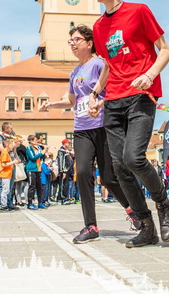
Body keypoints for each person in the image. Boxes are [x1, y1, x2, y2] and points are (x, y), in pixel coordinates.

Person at [87, 0, 169, 247]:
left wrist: (150, 74)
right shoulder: (98, 27)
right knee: (119, 169)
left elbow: (165, 49)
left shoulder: (139, 11)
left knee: (133, 158)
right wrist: (95, 93)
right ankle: (146, 227)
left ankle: (164, 204)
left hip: (141, 95)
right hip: (113, 100)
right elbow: (108, 64)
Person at [41, 25, 139, 243]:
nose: (72, 44)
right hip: (81, 129)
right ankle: (90, 226)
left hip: (103, 126)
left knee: (109, 178)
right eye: (70, 41)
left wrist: (100, 104)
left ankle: (133, 211)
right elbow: (71, 101)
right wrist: (51, 104)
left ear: (89, 43)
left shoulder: (99, 64)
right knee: (83, 173)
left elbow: (113, 91)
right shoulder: (74, 72)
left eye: (77, 39)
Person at [25, 135, 47, 210]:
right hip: (31, 169)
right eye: (35, 140)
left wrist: (44, 152)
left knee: (39, 186)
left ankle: (40, 202)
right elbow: (32, 157)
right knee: (32, 186)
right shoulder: (29, 148)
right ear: (31, 141)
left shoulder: (37, 148)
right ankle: (30, 203)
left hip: (38, 168)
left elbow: (40, 157)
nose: (37, 142)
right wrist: (41, 153)